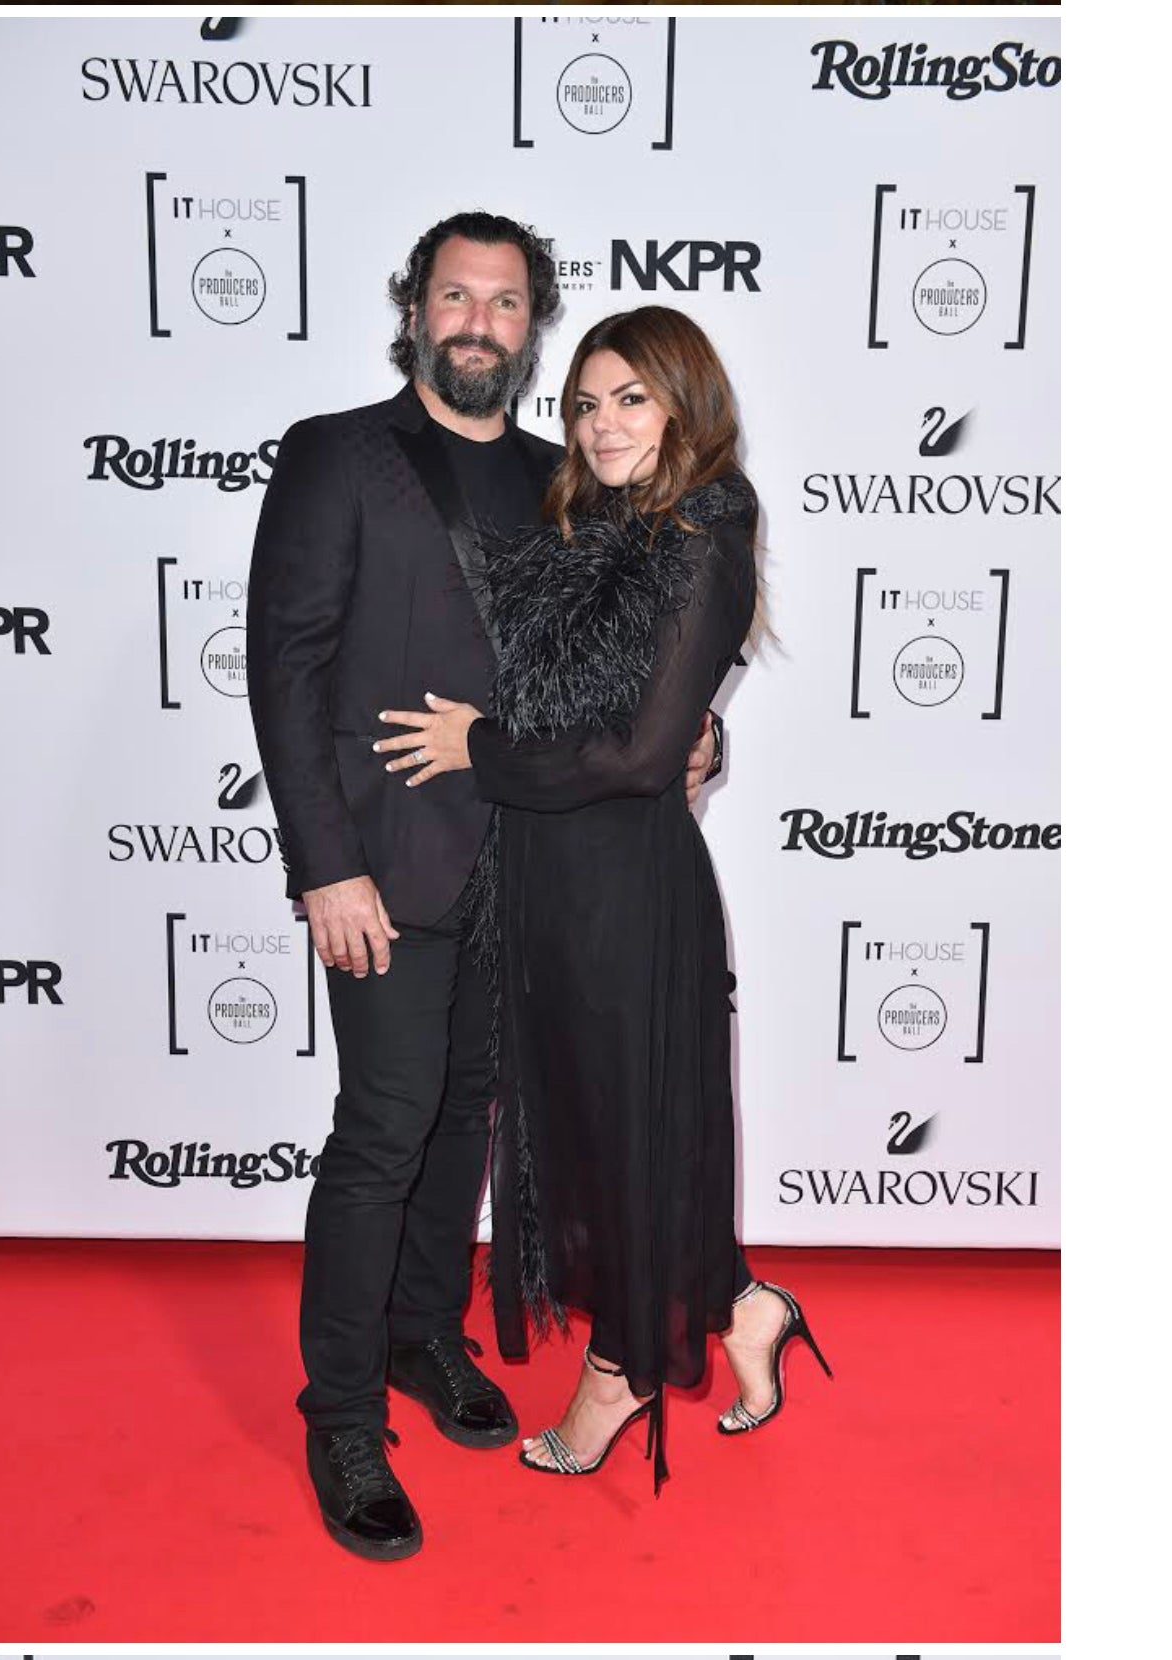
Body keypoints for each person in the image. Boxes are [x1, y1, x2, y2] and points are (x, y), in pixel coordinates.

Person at [246, 217, 719, 1559]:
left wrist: (699, 736)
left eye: (504, 303)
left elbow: (630, 661)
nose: (477, 321)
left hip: (530, 869)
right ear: (415, 309)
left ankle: (421, 1335)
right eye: (455, 294)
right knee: (383, 1129)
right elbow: (286, 666)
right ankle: (341, 1414)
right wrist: (324, 863)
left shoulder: (562, 479)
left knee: (465, 1119)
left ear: (532, 325)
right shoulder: (336, 453)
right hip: (384, 869)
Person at [374, 306, 831, 1490]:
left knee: (627, 1134)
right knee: (594, 1128)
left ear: (686, 405)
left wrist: (479, 747)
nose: (603, 424)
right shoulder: (587, 526)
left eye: (632, 398)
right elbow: (622, 707)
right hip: (544, 886)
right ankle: (744, 1307)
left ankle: (624, 1365)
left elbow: (636, 753)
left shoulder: (705, 528)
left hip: (627, 895)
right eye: (585, 403)